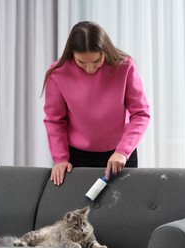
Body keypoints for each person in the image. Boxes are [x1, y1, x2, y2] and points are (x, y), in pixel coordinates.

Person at [43, 21, 150, 186]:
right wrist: (60, 158)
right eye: (82, 63)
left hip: (120, 154)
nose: (90, 68)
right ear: (71, 54)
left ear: (104, 52)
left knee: (124, 210)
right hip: (77, 158)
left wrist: (123, 151)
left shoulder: (124, 67)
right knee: (79, 209)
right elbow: (54, 120)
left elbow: (141, 114)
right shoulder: (58, 73)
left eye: (96, 61)